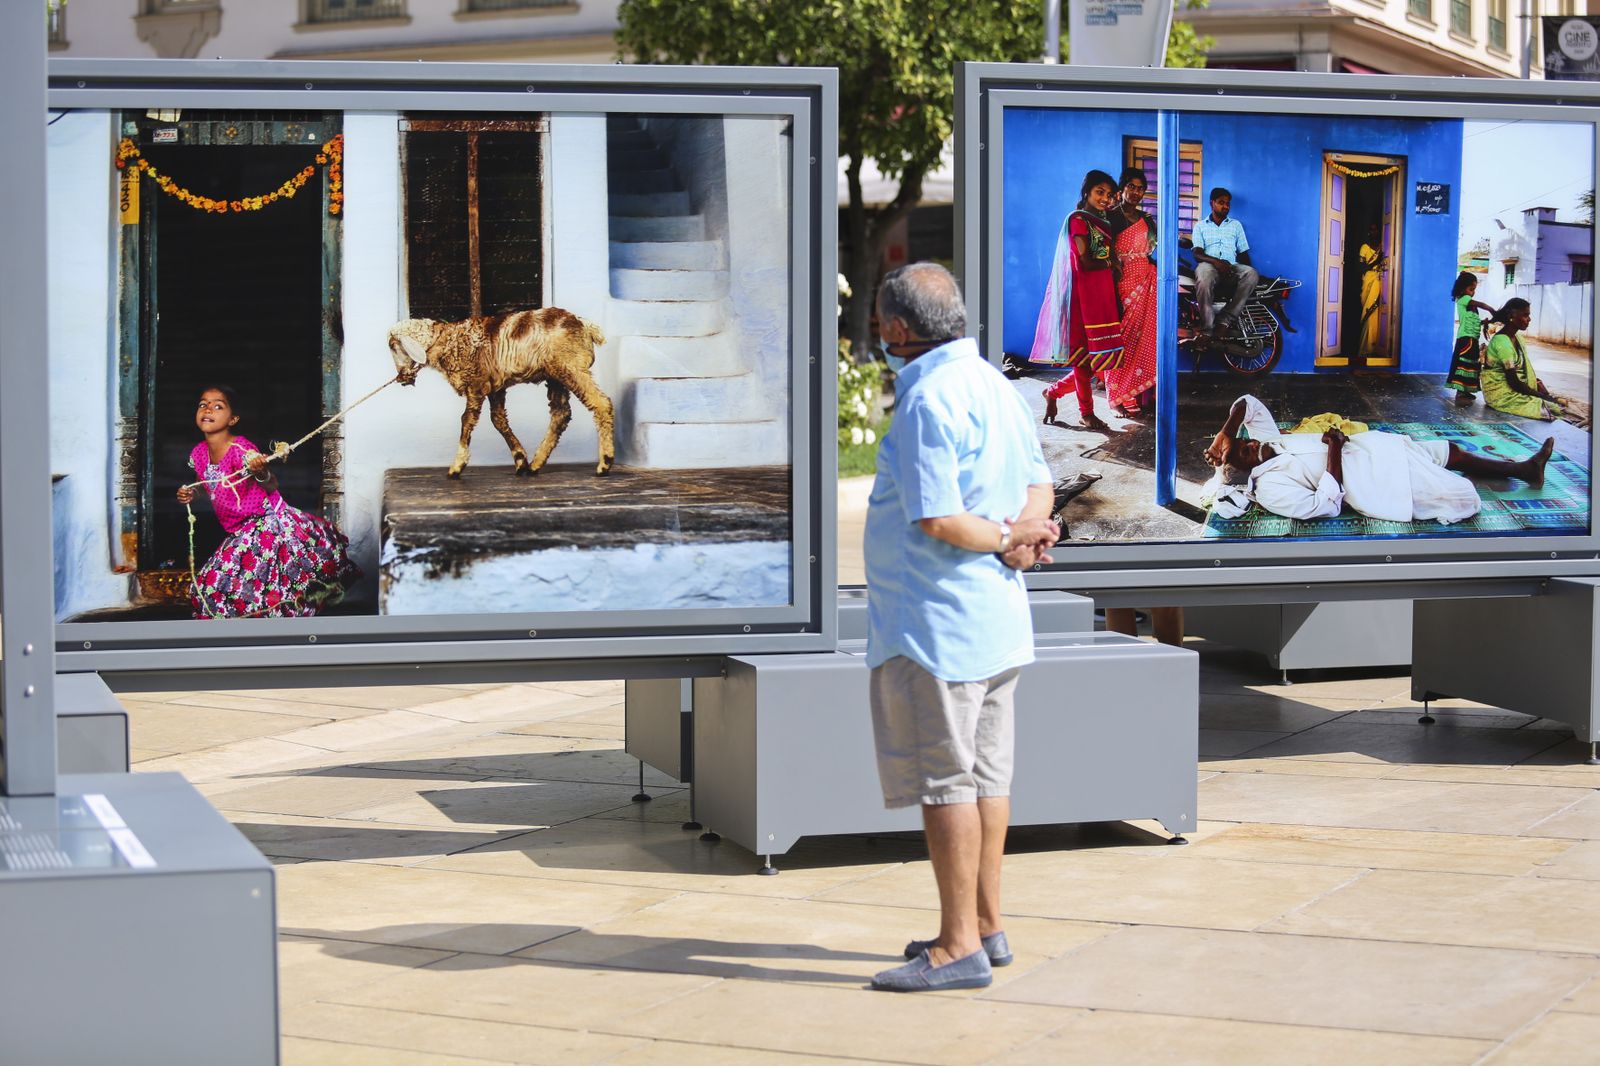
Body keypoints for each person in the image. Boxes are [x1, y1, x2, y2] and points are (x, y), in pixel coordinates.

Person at [865, 262, 1060, 992]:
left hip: (937, 627)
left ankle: (955, 948)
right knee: (988, 778)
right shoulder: (995, 386)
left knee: (947, 782)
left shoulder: (927, 401)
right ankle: (986, 925)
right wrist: (1026, 531)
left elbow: (938, 517)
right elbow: (1040, 478)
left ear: (895, 329)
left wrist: (1008, 535)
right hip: (999, 619)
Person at [1203, 393, 1553, 524]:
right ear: (1245, 473)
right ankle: (1497, 474)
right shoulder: (1269, 488)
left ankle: (1525, 468)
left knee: (1450, 451)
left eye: (1243, 441)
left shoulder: (1269, 442)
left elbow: (1246, 402)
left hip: (1375, 448)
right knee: (1463, 496)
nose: (1251, 445)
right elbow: (1324, 506)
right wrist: (1335, 450)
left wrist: (1228, 429)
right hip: (1376, 482)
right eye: (1244, 452)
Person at [177, 385, 362, 619]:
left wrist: (260, 471)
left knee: (258, 589)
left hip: (266, 524)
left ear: (233, 419)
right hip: (238, 530)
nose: (208, 410)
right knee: (215, 587)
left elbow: (271, 484)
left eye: (218, 406)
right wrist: (191, 495)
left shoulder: (242, 450)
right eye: (203, 404)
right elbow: (205, 486)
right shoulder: (199, 453)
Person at [1030, 169, 1124, 432]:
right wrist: (1111, 262)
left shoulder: (1102, 221)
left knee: (1098, 362)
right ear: (1086, 193)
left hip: (1102, 292)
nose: (1105, 198)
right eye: (1099, 192)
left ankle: (1053, 392)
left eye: (1109, 194)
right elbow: (1084, 262)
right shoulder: (1078, 220)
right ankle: (1087, 413)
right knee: (1084, 360)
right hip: (1083, 296)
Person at [1104, 167, 1158, 416]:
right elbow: (1105, 252)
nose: (1136, 192)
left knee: (1143, 339)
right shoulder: (1111, 217)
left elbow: (1153, 248)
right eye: (1131, 187)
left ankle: (1133, 392)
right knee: (1122, 338)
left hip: (1146, 279)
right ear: (1122, 188)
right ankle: (1118, 394)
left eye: (1140, 188)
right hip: (1121, 281)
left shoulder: (1147, 220)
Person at [1190, 187, 1261, 335]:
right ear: (1212, 203)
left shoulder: (1236, 225)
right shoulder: (1200, 226)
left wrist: (1248, 275)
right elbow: (1197, 253)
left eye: (1228, 203)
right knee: (1203, 274)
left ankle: (1225, 320)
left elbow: (1243, 253)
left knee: (1252, 273)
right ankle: (1207, 328)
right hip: (1209, 266)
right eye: (1221, 202)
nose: (1225, 206)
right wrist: (1217, 262)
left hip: (1231, 268)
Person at [1481, 298, 1564, 422]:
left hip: (1514, 389)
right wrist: (1544, 397)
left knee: (1558, 407)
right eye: (1525, 315)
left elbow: (1522, 370)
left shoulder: (1517, 338)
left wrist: (1536, 385)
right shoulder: (1502, 342)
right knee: (1552, 408)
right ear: (1511, 316)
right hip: (1501, 395)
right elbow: (1513, 382)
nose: (1529, 319)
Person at [1446, 271, 1495, 408]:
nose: (1473, 292)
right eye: (1471, 289)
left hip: (1473, 338)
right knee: (1464, 363)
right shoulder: (1463, 299)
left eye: (1474, 290)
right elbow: (1483, 305)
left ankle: (1467, 391)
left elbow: (1472, 321)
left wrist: (1484, 322)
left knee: (1473, 364)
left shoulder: (1471, 306)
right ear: (1462, 289)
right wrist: (1492, 309)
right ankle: (1461, 391)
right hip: (1465, 338)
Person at [1356, 222, 1388, 359]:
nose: (1373, 232)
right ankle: (1364, 349)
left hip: (1380, 280)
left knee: (1377, 313)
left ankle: (1375, 347)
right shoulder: (1364, 248)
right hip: (1368, 281)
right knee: (1367, 312)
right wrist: (1376, 261)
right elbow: (1361, 268)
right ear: (1369, 233)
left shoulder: (1384, 246)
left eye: (1375, 230)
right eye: (1371, 230)